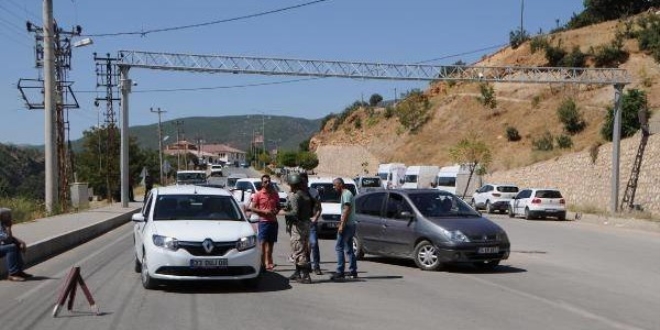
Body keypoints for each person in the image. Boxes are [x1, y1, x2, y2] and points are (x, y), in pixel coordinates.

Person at [284, 173, 314, 284]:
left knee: (299, 250)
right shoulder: (305, 194)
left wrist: (283, 212)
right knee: (302, 249)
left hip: (298, 226)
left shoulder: (296, 196)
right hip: (306, 223)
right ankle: (298, 273)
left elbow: (294, 212)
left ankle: (305, 276)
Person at [249, 175, 281, 272]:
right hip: (263, 222)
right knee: (262, 244)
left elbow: (279, 207)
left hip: (273, 222)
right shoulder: (258, 194)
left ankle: (269, 264)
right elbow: (252, 208)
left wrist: (275, 211)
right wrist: (264, 212)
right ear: (262, 183)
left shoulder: (275, 194)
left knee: (270, 246)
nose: (268, 183)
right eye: (265, 182)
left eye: (269, 181)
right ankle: (262, 265)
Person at [330, 178, 358, 281]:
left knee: (339, 247)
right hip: (350, 224)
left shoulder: (346, 194)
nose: (333, 187)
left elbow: (347, 209)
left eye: (334, 185)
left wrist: (342, 225)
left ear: (340, 184)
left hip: (347, 225)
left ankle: (340, 271)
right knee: (349, 248)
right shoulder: (346, 193)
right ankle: (353, 271)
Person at [0, 208, 33, 281]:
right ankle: (12, 274)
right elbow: (8, 240)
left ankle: (18, 271)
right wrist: (8, 227)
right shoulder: (4, 225)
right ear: (2, 216)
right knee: (11, 247)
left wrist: (20, 242)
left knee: (16, 245)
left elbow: (8, 238)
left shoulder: (2, 224)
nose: (10, 217)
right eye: (8, 215)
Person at [300, 172, 323, 275]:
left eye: (304, 181)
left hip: (311, 222)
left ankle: (316, 266)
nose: (302, 183)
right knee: (304, 245)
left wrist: (316, 217)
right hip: (301, 223)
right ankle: (307, 265)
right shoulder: (298, 193)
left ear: (307, 181)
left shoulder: (314, 192)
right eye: (300, 181)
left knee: (313, 243)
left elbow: (319, 208)